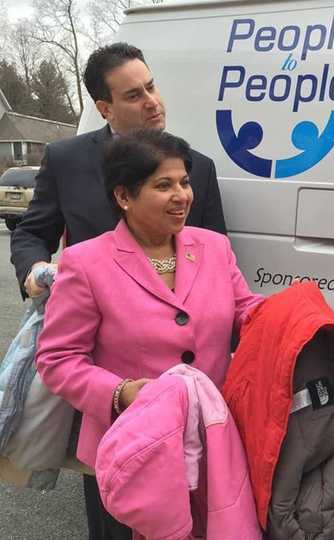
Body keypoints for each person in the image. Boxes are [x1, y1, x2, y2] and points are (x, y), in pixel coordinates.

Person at [35, 130, 263, 540]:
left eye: (184, 182)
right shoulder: (86, 263)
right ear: (124, 195)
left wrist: (294, 317)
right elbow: (57, 359)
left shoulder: (213, 247)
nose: (182, 196)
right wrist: (123, 393)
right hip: (132, 451)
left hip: (212, 441)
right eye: (164, 185)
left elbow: (246, 311)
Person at [11, 42, 226, 300]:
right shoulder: (66, 159)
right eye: (134, 96)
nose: (152, 102)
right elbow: (32, 232)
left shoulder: (199, 167)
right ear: (105, 109)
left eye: (150, 87)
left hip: (174, 321)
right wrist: (35, 271)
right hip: (92, 317)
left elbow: (215, 257)